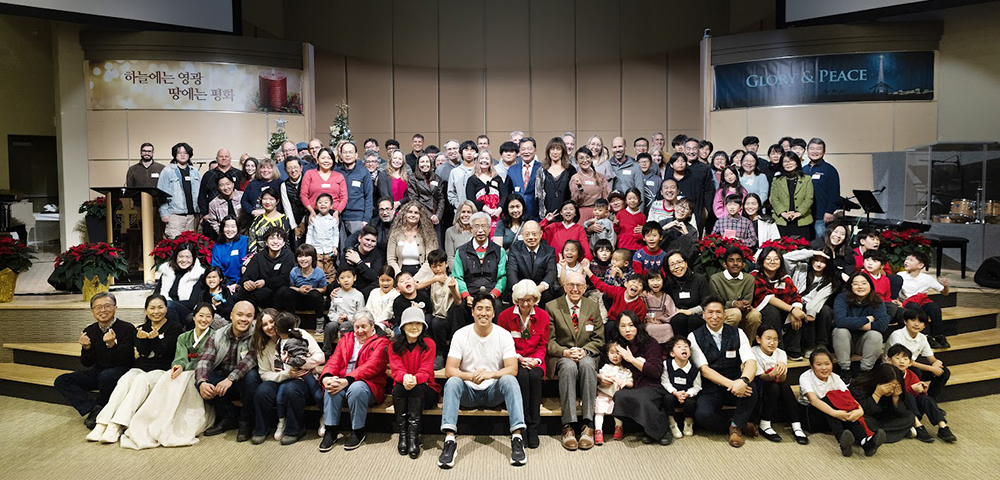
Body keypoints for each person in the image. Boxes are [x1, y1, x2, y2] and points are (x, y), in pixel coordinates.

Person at [438, 292, 527, 468]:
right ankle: (449, 441)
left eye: (488, 309)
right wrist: (470, 376)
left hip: (493, 392)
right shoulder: (461, 334)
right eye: (479, 309)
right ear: (473, 312)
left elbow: (513, 369)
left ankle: (517, 438)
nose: (483, 313)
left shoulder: (503, 335)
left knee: (510, 380)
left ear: (493, 313)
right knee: (453, 382)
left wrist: (490, 374)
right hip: (468, 393)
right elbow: (450, 370)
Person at [119, 303, 216, 449]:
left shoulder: (214, 337)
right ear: (194, 317)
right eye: (200, 315)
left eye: (208, 316)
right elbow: (180, 357)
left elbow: (206, 361)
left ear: (212, 319)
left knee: (184, 380)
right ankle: (155, 419)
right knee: (169, 377)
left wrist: (186, 367)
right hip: (182, 371)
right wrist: (179, 365)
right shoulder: (184, 337)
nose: (204, 319)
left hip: (201, 374)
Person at [688, 296, 760, 448]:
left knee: (752, 389)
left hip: (736, 381)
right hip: (711, 386)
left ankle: (736, 428)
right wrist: (732, 385)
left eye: (718, 312)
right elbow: (705, 370)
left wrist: (744, 381)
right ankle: (739, 423)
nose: (714, 316)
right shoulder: (694, 336)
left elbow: (751, 361)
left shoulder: (738, 333)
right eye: (710, 312)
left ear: (725, 314)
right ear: (703, 315)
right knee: (702, 415)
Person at [56, 293, 136, 429]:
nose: (103, 310)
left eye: (107, 306)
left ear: (115, 308)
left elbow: (126, 360)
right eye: (98, 307)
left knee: (107, 376)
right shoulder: (90, 330)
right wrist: (86, 348)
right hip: (99, 371)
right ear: (92, 311)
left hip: (122, 370)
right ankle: (94, 408)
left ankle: (101, 409)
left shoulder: (127, 328)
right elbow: (86, 363)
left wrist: (111, 345)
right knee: (62, 380)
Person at [545, 271, 603, 449]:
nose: (575, 289)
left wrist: (584, 351)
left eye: (579, 285)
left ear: (585, 288)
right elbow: (549, 341)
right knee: (569, 367)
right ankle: (568, 425)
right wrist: (565, 352)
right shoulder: (552, 306)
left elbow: (599, 339)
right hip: (563, 355)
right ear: (565, 287)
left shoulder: (592, 306)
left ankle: (588, 424)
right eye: (571, 285)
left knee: (587, 364)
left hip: (586, 354)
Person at [318, 311, 391, 452]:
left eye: (364, 326)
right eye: (357, 327)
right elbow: (334, 360)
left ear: (372, 326)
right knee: (332, 386)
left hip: (370, 384)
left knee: (356, 388)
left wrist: (347, 380)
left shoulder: (381, 342)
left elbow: (372, 366)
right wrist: (327, 376)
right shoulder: (346, 339)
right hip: (344, 381)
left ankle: (358, 431)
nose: (360, 330)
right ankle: (330, 430)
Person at [250, 311, 325, 445]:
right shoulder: (262, 344)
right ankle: (261, 429)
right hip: (279, 377)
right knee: (262, 391)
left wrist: (300, 365)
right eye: (265, 325)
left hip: (300, 378)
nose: (270, 327)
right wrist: (286, 374)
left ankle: (294, 430)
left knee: (291, 389)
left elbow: (320, 356)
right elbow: (264, 374)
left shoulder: (299, 334)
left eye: (272, 322)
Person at [797, 348, 884, 457]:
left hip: (833, 416)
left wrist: (859, 411)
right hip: (810, 416)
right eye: (819, 364)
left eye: (827, 364)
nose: (824, 368)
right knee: (830, 398)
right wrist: (835, 413)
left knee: (843, 402)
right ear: (811, 366)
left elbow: (849, 399)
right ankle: (841, 440)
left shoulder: (836, 378)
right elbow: (813, 400)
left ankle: (866, 443)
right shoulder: (805, 377)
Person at [497, 280, 552, 449]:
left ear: (535, 299)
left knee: (535, 376)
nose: (526, 304)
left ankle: (533, 427)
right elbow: (504, 344)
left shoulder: (543, 316)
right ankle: (522, 426)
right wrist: (519, 358)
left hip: (535, 359)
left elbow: (543, 344)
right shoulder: (504, 316)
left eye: (529, 300)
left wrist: (536, 360)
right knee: (521, 377)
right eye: (522, 300)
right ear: (516, 299)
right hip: (514, 359)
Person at [195, 300, 260, 442]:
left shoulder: (257, 335)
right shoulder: (217, 335)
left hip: (245, 381)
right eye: (240, 314)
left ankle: (246, 421)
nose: (244, 319)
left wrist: (230, 378)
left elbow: (250, 360)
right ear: (231, 315)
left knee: (251, 376)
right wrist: (202, 382)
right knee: (202, 379)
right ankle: (229, 417)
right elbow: (204, 360)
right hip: (225, 379)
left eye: (249, 316)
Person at [609, 311, 671, 444]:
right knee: (620, 396)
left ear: (638, 326)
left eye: (631, 325)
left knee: (641, 397)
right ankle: (650, 428)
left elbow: (656, 372)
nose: (627, 330)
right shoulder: (618, 346)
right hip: (631, 386)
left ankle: (661, 430)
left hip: (651, 386)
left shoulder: (650, 343)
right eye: (623, 326)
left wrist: (631, 359)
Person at [390, 307, 442, 459]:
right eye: (410, 323)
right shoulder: (394, 345)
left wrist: (414, 379)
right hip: (404, 388)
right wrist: (405, 377)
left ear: (423, 326)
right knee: (399, 388)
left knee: (416, 388)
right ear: (403, 326)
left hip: (426, 390)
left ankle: (413, 436)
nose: (414, 327)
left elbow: (426, 371)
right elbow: (396, 369)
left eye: (418, 323)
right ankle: (403, 435)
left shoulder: (429, 343)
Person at [886, 343, 956, 442]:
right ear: (889, 360)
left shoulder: (911, 374)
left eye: (905, 359)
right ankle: (918, 426)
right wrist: (911, 389)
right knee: (908, 396)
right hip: (893, 408)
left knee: (925, 398)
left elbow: (919, 395)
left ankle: (942, 427)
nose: (902, 361)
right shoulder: (887, 374)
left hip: (911, 407)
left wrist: (922, 390)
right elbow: (890, 394)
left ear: (910, 363)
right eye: (898, 358)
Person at [752, 325, 809, 444]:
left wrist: (781, 373)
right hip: (759, 385)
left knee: (784, 385)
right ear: (758, 339)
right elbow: (762, 377)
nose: (772, 342)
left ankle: (796, 425)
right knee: (773, 386)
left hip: (777, 384)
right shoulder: (753, 352)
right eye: (768, 339)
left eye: (775, 339)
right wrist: (773, 374)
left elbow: (783, 378)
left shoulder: (781, 353)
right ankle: (765, 423)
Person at [832, 272, 890, 384]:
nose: (860, 287)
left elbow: (882, 325)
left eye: (864, 283)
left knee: (875, 335)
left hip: (863, 343)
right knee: (840, 331)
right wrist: (867, 319)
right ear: (850, 286)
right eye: (856, 284)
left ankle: (865, 371)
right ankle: (845, 370)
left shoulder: (877, 301)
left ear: (870, 285)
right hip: (844, 343)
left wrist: (852, 323)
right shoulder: (842, 298)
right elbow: (839, 321)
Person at [885, 309, 950, 400]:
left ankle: (930, 400)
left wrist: (937, 363)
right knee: (915, 372)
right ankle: (913, 401)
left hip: (909, 366)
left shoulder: (922, 337)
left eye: (920, 322)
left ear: (924, 326)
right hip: (894, 368)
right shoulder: (897, 335)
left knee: (944, 372)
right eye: (913, 320)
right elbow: (904, 361)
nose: (916, 324)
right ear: (905, 321)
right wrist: (931, 368)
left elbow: (931, 359)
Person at [783, 248, 837, 356]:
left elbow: (820, 298)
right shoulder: (801, 268)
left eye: (823, 262)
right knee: (802, 309)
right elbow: (786, 258)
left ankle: (819, 345)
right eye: (816, 260)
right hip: (793, 301)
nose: (818, 264)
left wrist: (811, 312)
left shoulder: (829, 280)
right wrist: (812, 252)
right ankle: (795, 348)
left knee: (825, 310)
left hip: (812, 305)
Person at [850, 364, 915, 445]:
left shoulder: (896, 392)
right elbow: (863, 410)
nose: (892, 390)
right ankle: (895, 433)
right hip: (868, 418)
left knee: (910, 417)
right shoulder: (860, 386)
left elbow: (900, 414)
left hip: (884, 421)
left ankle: (876, 435)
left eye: (895, 387)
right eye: (889, 387)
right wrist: (877, 394)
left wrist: (895, 398)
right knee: (861, 421)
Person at [897, 251, 951, 349]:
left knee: (934, 307)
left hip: (921, 302)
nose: (906, 262)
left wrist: (946, 286)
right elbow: (893, 292)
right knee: (915, 307)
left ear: (920, 265)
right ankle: (925, 336)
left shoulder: (927, 278)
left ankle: (939, 335)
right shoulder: (900, 275)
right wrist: (898, 302)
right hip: (907, 303)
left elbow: (944, 293)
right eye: (906, 259)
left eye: (911, 260)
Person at [452, 212, 508, 305]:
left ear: (489, 228)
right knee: (458, 308)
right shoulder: (461, 251)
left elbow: (502, 277)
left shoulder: (499, 251)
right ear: (471, 229)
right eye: (477, 226)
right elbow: (458, 277)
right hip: (469, 294)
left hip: (491, 294)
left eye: (484, 226)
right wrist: (466, 296)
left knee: (497, 306)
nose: (480, 230)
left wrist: (493, 295)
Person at [708, 246, 762, 340]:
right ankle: (727, 343)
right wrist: (733, 304)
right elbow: (716, 303)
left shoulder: (749, 279)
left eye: (738, 260)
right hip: (724, 311)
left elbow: (748, 299)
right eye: (731, 260)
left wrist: (745, 304)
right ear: (725, 264)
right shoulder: (715, 279)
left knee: (755, 314)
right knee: (735, 313)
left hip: (742, 311)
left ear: (743, 264)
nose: (735, 263)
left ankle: (747, 344)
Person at [238, 226, 295, 309]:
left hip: (278, 290)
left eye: (279, 239)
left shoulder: (288, 256)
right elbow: (248, 275)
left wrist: (265, 282)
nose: (275, 242)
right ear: (266, 242)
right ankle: (254, 314)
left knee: (285, 292)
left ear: (283, 243)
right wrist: (247, 282)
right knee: (243, 290)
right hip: (261, 291)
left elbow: (284, 278)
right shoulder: (258, 257)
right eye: (271, 238)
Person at [274, 244, 328, 329]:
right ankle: (292, 320)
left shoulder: (319, 272)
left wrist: (312, 289)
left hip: (312, 301)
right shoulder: (294, 271)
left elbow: (324, 289)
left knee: (314, 294)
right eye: (300, 256)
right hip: (298, 300)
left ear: (313, 258)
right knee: (287, 292)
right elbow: (291, 287)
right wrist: (299, 290)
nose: (303, 259)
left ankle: (320, 320)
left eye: (306, 256)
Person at [153, 243, 206, 327]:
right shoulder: (167, 271)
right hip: (165, 309)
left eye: (188, 257)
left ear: (193, 258)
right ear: (176, 257)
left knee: (169, 305)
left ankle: (175, 332)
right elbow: (156, 294)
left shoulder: (198, 274)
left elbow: (192, 303)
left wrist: (167, 304)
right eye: (181, 256)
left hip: (187, 312)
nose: (184, 260)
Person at [506, 221, 558, 305]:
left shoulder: (549, 251)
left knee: (548, 295)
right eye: (527, 234)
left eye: (534, 234)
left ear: (540, 234)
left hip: (541, 290)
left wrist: (537, 290)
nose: (531, 237)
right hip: (520, 289)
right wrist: (520, 290)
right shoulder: (514, 250)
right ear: (522, 235)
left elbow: (551, 272)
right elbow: (511, 271)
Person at [157, 142, 201, 239]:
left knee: (190, 244)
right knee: (174, 244)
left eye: (185, 153)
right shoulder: (167, 171)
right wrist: (164, 213)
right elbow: (161, 194)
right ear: (175, 154)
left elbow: (200, 193)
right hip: (174, 216)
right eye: (179, 153)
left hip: (192, 216)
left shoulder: (194, 172)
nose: (182, 155)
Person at [660, 336, 701, 440]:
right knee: (667, 399)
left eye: (686, 346)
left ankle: (688, 422)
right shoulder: (667, 364)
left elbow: (697, 386)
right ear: (672, 353)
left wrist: (687, 393)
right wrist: (675, 392)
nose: (683, 348)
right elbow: (665, 381)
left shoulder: (694, 369)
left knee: (691, 402)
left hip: (686, 394)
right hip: (673, 393)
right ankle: (672, 422)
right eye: (679, 347)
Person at [663, 250, 710, 338]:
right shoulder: (668, 283)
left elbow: (707, 303)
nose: (677, 267)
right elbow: (665, 302)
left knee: (694, 319)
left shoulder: (700, 279)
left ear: (686, 263)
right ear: (668, 268)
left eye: (679, 262)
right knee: (679, 319)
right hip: (677, 315)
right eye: (672, 264)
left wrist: (690, 311)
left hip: (698, 314)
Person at [594, 340, 633, 444]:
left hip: (616, 397)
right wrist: (615, 379)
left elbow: (631, 382)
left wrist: (625, 383)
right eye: (612, 353)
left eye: (618, 353)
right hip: (604, 395)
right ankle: (598, 430)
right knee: (599, 411)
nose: (615, 356)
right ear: (607, 354)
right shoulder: (606, 367)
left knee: (618, 410)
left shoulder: (626, 370)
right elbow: (604, 376)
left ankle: (618, 428)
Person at [769, 151, 814, 239]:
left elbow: (809, 198)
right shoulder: (777, 180)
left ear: (797, 163)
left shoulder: (807, 179)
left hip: (802, 220)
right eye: (785, 161)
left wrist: (798, 213)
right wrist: (783, 213)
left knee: (801, 246)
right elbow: (774, 198)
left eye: (791, 161)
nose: (788, 163)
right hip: (782, 220)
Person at [387, 202, 440, 276]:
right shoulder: (395, 234)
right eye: (410, 212)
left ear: (420, 216)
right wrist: (400, 277)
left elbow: (430, 260)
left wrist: (416, 279)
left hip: (422, 275)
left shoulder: (427, 234)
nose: (413, 215)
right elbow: (391, 259)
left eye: (416, 213)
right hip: (400, 275)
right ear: (404, 214)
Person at [802, 138, 840, 239]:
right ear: (807, 151)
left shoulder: (829, 170)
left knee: (821, 242)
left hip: (821, 216)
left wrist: (829, 211)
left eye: (818, 149)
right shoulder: (804, 170)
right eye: (812, 148)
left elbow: (834, 194)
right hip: (805, 216)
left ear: (824, 151)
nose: (814, 151)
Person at [301, 147, 348, 227]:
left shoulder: (339, 176)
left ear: (333, 161)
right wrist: (311, 211)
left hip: (333, 214)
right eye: (323, 158)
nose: (326, 161)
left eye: (329, 158)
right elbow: (303, 195)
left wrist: (337, 212)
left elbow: (344, 198)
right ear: (317, 160)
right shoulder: (309, 174)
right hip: (313, 213)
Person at [336, 141, 375, 238]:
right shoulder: (336, 172)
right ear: (340, 155)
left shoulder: (364, 172)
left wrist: (366, 219)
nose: (348, 155)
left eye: (350, 152)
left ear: (356, 155)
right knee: (341, 246)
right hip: (339, 216)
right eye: (345, 152)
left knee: (356, 245)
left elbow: (369, 197)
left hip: (357, 218)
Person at [199, 149, 243, 228]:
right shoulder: (208, 175)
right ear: (216, 159)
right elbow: (202, 195)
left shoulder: (239, 174)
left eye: (226, 156)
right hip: (214, 215)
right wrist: (204, 214)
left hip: (237, 214)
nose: (224, 158)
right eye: (221, 156)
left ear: (230, 158)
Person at [467, 150, 506, 235]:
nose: (484, 160)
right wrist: (487, 210)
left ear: (491, 161)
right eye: (482, 158)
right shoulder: (472, 179)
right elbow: (470, 198)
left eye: (487, 158)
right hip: (480, 215)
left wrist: (499, 210)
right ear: (478, 161)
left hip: (497, 214)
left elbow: (504, 196)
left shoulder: (497, 178)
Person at [325, 266, 366, 348]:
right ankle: (327, 351)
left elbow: (361, 314)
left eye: (349, 277)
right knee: (329, 326)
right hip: (337, 321)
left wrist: (348, 317)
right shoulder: (336, 294)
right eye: (342, 278)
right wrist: (337, 318)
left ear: (354, 278)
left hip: (351, 322)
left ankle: (344, 351)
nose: (346, 280)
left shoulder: (358, 295)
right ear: (338, 281)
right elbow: (331, 312)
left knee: (345, 326)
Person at [536, 137, 577, 219]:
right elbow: (538, 194)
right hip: (547, 216)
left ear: (563, 151)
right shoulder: (542, 170)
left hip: (567, 216)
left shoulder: (570, 170)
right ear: (548, 151)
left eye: (558, 149)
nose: (555, 152)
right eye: (552, 149)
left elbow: (574, 194)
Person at [569, 147, 610, 225]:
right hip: (583, 213)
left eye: (587, 157)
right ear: (577, 161)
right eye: (581, 158)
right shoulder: (575, 178)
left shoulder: (600, 177)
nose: (585, 160)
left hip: (599, 212)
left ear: (591, 159)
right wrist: (579, 188)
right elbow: (575, 200)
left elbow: (606, 196)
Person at [341, 225, 385, 296]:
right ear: (359, 238)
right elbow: (342, 275)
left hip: (368, 291)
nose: (369, 243)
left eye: (373, 241)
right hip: (351, 289)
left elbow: (375, 277)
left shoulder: (378, 255)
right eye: (367, 239)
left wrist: (358, 262)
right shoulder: (350, 254)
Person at [504, 137, 542, 220]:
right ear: (519, 151)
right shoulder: (512, 169)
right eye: (523, 149)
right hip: (517, 215)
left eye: (529, 149)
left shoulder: (542, 168)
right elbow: (507, 193)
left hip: (536, 215)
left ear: (535, 150)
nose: (526, 152)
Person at [305, 193, 340, 285]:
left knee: (330, 268)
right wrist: (308, 247)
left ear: (331, 206)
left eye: (326, 202)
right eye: (320, 202)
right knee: (317, 269)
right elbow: (309, 234)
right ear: (316, 206)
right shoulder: (313, 219)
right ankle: (319, 286)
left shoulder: (333, 220)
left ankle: (330, 286)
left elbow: (336, 235)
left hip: (329, 251)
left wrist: (335, 246)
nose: (323, 204)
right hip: (316, 250)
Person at [246, 189, 292, 257]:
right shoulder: (258, 219)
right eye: (265, 199)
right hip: (259, 257)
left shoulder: (283, 220)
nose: (267, 202)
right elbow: (252, 240)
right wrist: (254, 257)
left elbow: (286, 242)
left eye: (271, 199)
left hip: (278, 257)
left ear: (277, 201)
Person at [404, 154, 445, 228]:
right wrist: (430, 216)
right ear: (418, 164)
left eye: (427, 161)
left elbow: (441, 198)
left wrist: (438, 216)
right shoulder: (412, 178)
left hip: (437, 218)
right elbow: (414, 200)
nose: (425, 164)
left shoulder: (436, 178)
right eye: (422, 162)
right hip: (422, 217)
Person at [279, 157, 308, 245]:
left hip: (308, 219)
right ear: (285, 170)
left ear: (301, 168)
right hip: (293, 221)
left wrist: (303, 222)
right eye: (289, 168)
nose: (293, 170)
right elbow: (287, 207)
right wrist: (295, 227)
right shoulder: (284, 186)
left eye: (295, 167)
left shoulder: (308, 181)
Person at [211, 216, 247, 285]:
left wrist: (238, 284)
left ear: (237, 228)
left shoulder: (243, 240)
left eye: (233, 227)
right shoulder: (217, 246)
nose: (230, 229)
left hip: (242, 281)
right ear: (222, 228)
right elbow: (216, 267)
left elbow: (244, 261)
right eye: (227, 226)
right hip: (225, 282)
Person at [447, 140, 479, 212]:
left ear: (476, 153)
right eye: (466, 150)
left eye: (472, 150)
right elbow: (451, 193)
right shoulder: (455, 172)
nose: (469, 153)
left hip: (478, 211)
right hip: (460, 211)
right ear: (461, 152)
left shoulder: (480, 171)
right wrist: (459, 206)